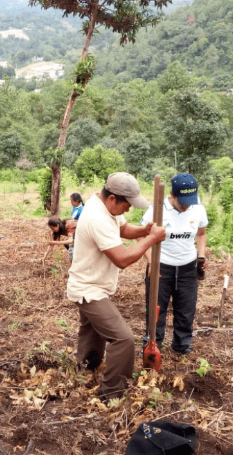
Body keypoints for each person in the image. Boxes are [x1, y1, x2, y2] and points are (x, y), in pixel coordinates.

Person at [67, 172, 166, 402]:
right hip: (88, 288)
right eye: (126, 205)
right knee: (123, 339)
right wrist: (151, 240)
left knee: (93, 333)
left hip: (92, 283)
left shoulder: (103, 206)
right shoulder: (96, 217)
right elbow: (121, 259)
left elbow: (122, 229)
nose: (129, 210)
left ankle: (86, 371)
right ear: (112, 199)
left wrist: (144, 231)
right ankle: (111, 393)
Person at [139, 173, 208, 355]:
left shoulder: (198, 208)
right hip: (162, 266)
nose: (186, 206)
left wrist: (201, 256)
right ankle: (153, 345)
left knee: (186, 309)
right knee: (156, 309)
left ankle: (182, 345)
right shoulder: (157, 210)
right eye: (182, 201)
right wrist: (151, 262)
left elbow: (201, 234)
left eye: (189, 201)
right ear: (172, 194)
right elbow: (140, 234)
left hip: (188, 267)